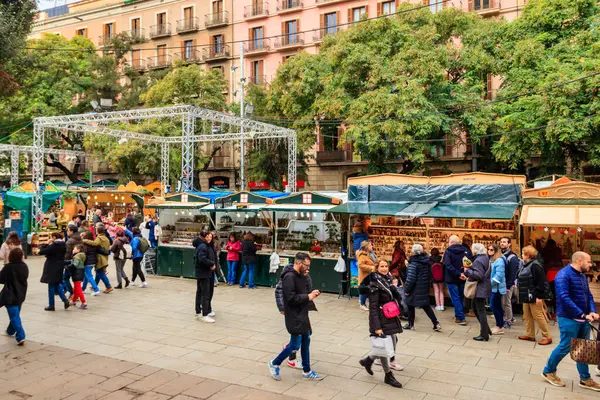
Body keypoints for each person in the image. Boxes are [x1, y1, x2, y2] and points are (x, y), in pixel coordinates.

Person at [542, 251, 600, 392]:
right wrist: (581, 313)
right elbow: (563, 297)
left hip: (583, 318)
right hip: (568, 318)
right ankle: (548, 371)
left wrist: (592, 311)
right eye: (588, 261)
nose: (590, 264)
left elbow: (589, 295)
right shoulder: (563, 275)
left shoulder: (581, 276)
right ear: (579, 261)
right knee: (565, 346)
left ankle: (585, 378)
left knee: (582, 347)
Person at [268, 253, 324, 381]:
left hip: (303, 313)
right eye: (306, 265)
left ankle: (307, 371)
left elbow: (303, 292)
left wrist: (312, 294)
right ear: (299, 263)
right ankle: (275, 363)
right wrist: (307, 297)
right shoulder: (289, 277)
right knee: (294, 345)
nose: (308, 268)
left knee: (306, 341)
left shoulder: (302, 276)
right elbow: (291, 298)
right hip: (294, 315)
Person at [358, 260, 403, 388]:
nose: (384, 268)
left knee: (393, 342)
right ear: (376, 268)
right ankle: (388, 375)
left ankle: (368, 360)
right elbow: (373, 308)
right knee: (384, 346)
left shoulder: (387, 279)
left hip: (389, 316)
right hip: (380, 318)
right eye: (381, 266)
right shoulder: (374, 284)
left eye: (386, 266)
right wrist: (377, 327)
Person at [517, 246, 552, 345]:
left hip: (534, 295)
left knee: (538, 315)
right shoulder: (526, 264)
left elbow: (540, 282)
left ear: (528, 255)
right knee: (527, 315)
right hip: (527, 295)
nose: (521, 255)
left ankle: (547, 336)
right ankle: (530, 334)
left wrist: (539, 296)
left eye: (523, 253)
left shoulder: (535, 265)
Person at [404, 244, 442, 332]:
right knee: (426, 306)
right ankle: (436, 323)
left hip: (414, 288)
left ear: (413, 252)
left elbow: (411, 279)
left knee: (410, 305)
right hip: (424, 287)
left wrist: (406, 289)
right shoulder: (426, 261)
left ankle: (411, 324)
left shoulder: (413, 263)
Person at [462, 243, 492, 341]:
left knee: (480, 310)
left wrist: (467, 271)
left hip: (479, 288)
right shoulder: (485, 258)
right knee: (476, 308)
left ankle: (484, 335)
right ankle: (486, 329)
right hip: (484, 287)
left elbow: (479, 275)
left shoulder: (478, 260)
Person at [0, 248, 29, 345]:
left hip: (10, 294)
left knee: (14, 316)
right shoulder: (24, 266)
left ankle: (21, 336)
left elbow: (1, 279)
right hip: (21, 293)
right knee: (15, 314)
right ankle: (10, 331)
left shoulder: (8, 267)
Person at [442, 235, 469, 325]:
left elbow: (448, 265)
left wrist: (457, 274)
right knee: (460, 297)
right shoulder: (465, 251)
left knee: (455, 298)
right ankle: (459, 315)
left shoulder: (448, 251)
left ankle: (461, 318)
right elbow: (469, 263)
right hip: (463, 278)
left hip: (452, 278)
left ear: (451, 242)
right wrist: (463, 274)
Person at [39, 232, 70, 311]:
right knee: (56, 284)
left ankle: (51, 305)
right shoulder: (63, 245)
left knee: (51, 286)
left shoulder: (54, 246)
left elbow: (41, 251)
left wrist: (46, 243)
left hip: (51, 267)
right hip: (59, 266)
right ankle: (65, 300)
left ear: (54, 237)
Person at [83, 225, 113, 294]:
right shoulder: (106, 238)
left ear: (98, 231)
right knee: (99, 273)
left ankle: (108, 286)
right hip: (104, 257)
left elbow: (94, 243)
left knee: (101, 273)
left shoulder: (99, 238)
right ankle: (95, 286)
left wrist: (85, 240)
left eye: (96, 230)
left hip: (100, 257)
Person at [195, 231, 216, 323]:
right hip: (204, 273)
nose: (210, 238)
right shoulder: (203, 246)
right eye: (208, 236)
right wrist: (211, 264)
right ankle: (204, 314)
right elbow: (202, 259)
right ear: (204, 237)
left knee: (200, 292)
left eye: (211, 237)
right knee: (205, 293)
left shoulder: (204, 245)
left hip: (203, 272)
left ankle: (199, 312)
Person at [499, 236, 519, 329]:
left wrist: (508, 285)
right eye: (501, 242)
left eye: (504, 242)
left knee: (506, 302)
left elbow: (513, 273)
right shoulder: (502, 255)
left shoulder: (512, 257)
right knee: (504, 302)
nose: (502, 243)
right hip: (502, 283)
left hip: (507, 284)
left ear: (509, 244)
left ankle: (508, 320)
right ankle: (509, 317)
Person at [489, 244, 506, 335]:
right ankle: (499, 325)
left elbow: (499, 275)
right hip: (494, 288)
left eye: (491, 249)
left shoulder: (499, 261)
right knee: (496, 306)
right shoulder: (493, 260)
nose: (489, 251)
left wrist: (490, 283)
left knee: (494, 306)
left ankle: (499, 326)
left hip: (497, 288)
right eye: (488, 249)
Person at [63, 224, 82, 298]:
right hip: (79, 261)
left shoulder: (69, 241)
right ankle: (76, 294)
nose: (67, 231)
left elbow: (67, 253)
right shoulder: (80, 238)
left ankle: (72, 292)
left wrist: (65, 263)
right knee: (76, 279)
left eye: (68, 230)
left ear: (71, 231)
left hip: (70, 262)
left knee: (65, 278)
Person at [357, 241, 376, 311]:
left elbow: (375, 261)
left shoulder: (371, 253)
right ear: (366, 247)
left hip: (370, 275)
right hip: (365, 276)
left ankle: (366, 303)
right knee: (364, 289)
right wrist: (371, 268)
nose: (372, 246)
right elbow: (360, 265)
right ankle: (362, 304)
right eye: (371, 245)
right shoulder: (362, 255)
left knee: (368, 289)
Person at [81, 231, 101, 296]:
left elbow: (84, 253)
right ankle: (83, 289)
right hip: (93, 262)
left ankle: (96, 289)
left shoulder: (85, 244)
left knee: (89, 276)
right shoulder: (94, 243)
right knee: (86, 276)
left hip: (87, 262)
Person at [69, 244, 87, 309]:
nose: (73, 250)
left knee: (78, 288)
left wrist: (67, 266)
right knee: (76, 288)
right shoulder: (82, 255)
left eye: (74, 249)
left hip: (77, 273)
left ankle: (83, 302)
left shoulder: (76, 257)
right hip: (81, 272)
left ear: (78, 250)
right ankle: (73, 301)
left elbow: (74, 265)